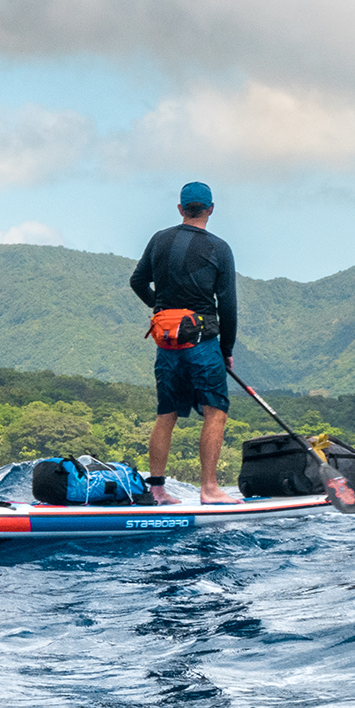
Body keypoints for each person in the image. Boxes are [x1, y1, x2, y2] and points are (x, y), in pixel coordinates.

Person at [129, 181, 243, 505]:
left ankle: (157, 490)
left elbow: (137, 281)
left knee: (166, 414)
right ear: (210, 209)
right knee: (215, 410)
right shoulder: (219, 248)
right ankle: (209, 489)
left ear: (180, 209)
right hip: (203, 343)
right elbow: (228, 304)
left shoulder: (159, 239)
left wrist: (160, 308)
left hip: (166, 344)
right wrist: (227, 350)